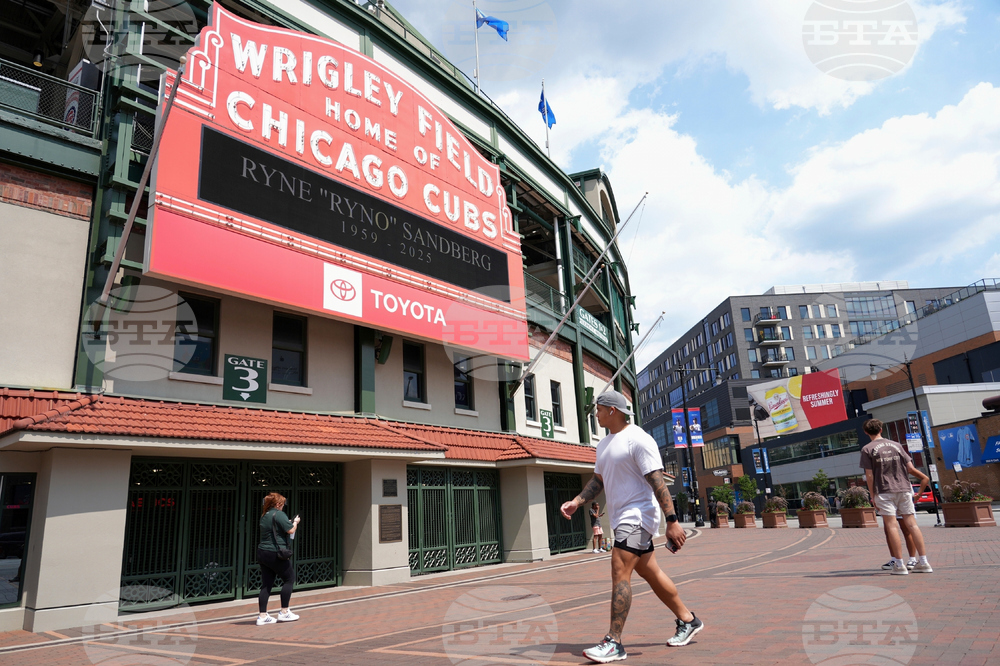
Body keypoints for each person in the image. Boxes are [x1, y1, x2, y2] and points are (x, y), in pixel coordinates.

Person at [561, 390, 703, 663]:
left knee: (619, 568)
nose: (596, 414)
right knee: (651, 572)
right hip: (620, 517)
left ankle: (614, 642)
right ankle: (688, 620)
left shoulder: (638, 438)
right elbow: (598, 481)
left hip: (637, 516)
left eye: (599, 410)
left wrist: (672, 522)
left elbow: (657, 481)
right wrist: (577, 501)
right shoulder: (604, 445)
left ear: (612, 410)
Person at [860, 419, 933, 575]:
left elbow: (869, 475)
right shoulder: (897, 445)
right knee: (912, 525)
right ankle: (924, 562)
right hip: (904, 488)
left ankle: (899, 565)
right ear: (881, 429)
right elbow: (911, 468)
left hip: (884, 490)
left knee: (891, 526)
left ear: (866, 432)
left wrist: (873, 496)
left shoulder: (867, 449)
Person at [257, 492, 302, 625]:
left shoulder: (265, 515)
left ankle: (263, 616)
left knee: (266, 584)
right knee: (289, 579)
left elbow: (273, 529)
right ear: (277, 504)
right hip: (275, 552)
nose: (283, 506)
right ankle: (284, 612)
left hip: (262, 552)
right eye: (282, 504)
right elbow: (291, 531)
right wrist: (295, 522)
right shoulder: (279, 514)